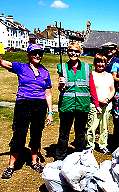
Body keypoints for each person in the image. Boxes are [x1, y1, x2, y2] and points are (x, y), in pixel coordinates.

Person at [0, 44, 53, 179]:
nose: (37, 55)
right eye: (34, 53)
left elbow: (48, 93)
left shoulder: (45, 72)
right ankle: (11, 165)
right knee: (19, 133)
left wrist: (50, 112)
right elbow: (2, 63)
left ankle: (34, 162)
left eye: (40, 53)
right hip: (23, 103)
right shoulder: (21, 67)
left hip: (40, 105)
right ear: (29, 55)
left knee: (36, 133)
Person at [55, 42, 98, 160]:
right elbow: (60, 88)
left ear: (80, 52)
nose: (73, 53)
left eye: (76, 51)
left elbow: (92, 87)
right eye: (71, 51)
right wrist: (61, 85)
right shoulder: (62, 67)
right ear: (67, 52)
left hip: (82, 105)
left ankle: (80, 156)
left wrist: (96, 103)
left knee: (80, 133)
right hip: (66, 105)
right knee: (64, 132)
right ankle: (60, 156)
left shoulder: (86, 67)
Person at [86, 54, 115, 153]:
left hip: (106, 105)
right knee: (92, 126)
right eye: (98, 61)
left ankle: (103, 145)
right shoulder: (91, 74)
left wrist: (107, 99)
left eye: (103, 62)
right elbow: (90, 91)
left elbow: (112, 90)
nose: (100, 64)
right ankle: (90, 145)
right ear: (95, 63)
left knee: (104, 126)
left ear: (106, 63)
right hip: (94, 105)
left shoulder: (109, 75)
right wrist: (97, 102)